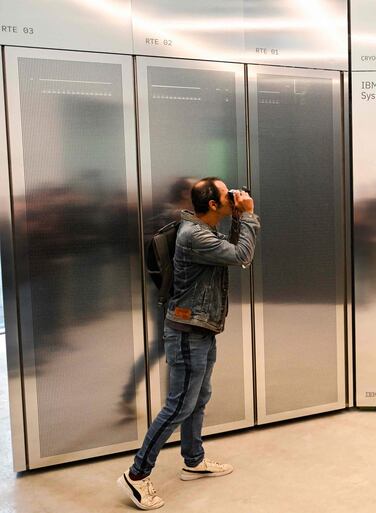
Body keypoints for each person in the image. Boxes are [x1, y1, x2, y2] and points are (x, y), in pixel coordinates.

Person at [118, 177, 259, 510]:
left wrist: (237, 217)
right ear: (212, 204)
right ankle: (136, 474)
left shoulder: (203, 229)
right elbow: (242, 255)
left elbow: (230, 252)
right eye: (227, 195)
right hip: (187, 330)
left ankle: (193, 460)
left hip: (201, 326)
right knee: (179, 405)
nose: (233, 197)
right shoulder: (195, 235)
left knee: (198, 398)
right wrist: (249, 215)